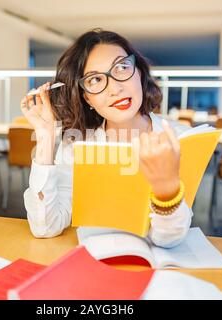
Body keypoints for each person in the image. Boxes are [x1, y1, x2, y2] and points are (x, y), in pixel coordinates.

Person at [20, 29, 193, 248]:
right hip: (95, 266)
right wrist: (46, 137)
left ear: (139, 72)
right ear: (87, 98)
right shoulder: (77, 145)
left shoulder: (179, 139)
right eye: (95, 79)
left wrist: (166, 189)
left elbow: (170, 239)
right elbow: (45, 227)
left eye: (122, 68)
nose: (115, 88)